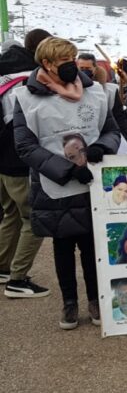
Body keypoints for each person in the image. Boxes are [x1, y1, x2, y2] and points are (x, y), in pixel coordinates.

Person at [14, 36, 120, 328]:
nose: (71, 65)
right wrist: (67, 169)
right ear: (47, 63)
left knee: (91, 247)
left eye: (72, 59)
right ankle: (69, 303)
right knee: (62, 248)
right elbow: (25, 146)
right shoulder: (26, 98)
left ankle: (96, 300)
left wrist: (102, 148)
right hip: (55, 186)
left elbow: (111, 130)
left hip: (91, 183)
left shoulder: (94, 91)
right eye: (64, 61)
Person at [0, 29, 51, 298]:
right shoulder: (30, 79)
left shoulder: (4, 74)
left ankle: (2, 267)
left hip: (2, 162)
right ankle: (18, 280)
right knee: (34, 218)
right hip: (18, 159)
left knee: (11, 215)